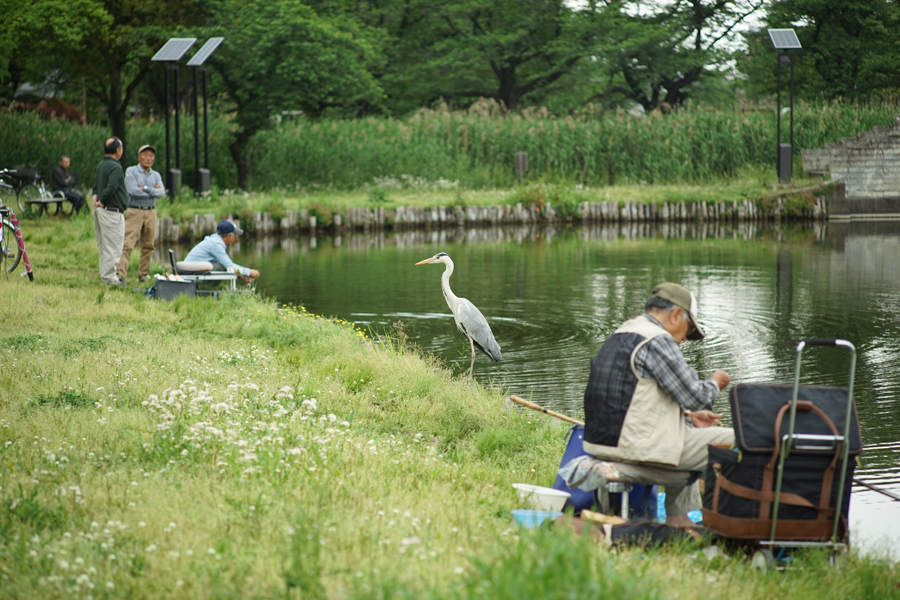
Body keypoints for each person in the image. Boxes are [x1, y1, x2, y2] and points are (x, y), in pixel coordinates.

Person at [581, 282, 733, 528]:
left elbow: (631, 400)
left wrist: (687, 415)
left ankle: (679, 519)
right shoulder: (658, 340)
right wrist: (717, 382)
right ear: (675, 315)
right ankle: (734, 523)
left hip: (601, 444)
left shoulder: (623, 332)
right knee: (737, 442)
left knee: (686, 430)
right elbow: (698, 395)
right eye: (687, 330)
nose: (683, 339)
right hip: (635, 448)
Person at [118, 144, 165, 283]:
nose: (148, 158)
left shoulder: (156, 175)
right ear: (139, 157)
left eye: (151, 156)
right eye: (145, 155)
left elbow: (161, 193)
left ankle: (143, 274)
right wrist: (152, 191)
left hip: (151, 211)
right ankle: (120, 274)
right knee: (127, 243)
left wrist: (145, 188)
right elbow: (133, 190)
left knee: (149, 245)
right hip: (134, 210)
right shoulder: (131, 171)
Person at [92, 137, 128, 286]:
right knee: (113, 247)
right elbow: (112, 186)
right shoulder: (116, 166)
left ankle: (105, 276)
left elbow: (96, 185)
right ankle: (109, 278)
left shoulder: (101, 165)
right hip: (111, 212)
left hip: (101, 211)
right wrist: (102, 200)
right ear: (118, 150)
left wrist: (95, 197)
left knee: (104, 246)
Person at [183, 219, 260, 284]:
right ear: (230, 236)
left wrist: (241, 274)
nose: (235, 239)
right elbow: (230, 266)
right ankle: (210, 291)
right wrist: (249, 272)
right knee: (222, 266)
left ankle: (210, 291)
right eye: (235, 236)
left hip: (191, 271)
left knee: (224, 265)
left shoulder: (214, 239)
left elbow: (229, 266)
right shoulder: (216, 245)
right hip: (189, 276)